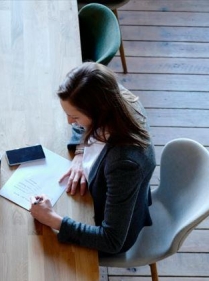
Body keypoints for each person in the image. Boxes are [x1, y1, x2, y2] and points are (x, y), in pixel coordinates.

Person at [29, 62, 156, 255]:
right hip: (98, 195)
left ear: (99, 112)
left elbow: (112, 240)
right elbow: (83, 127)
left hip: (108, 230)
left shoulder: (125, 164)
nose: (70, 122)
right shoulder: (112, 96)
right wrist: (81, 152)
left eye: (75, 117)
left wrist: (52, 219)